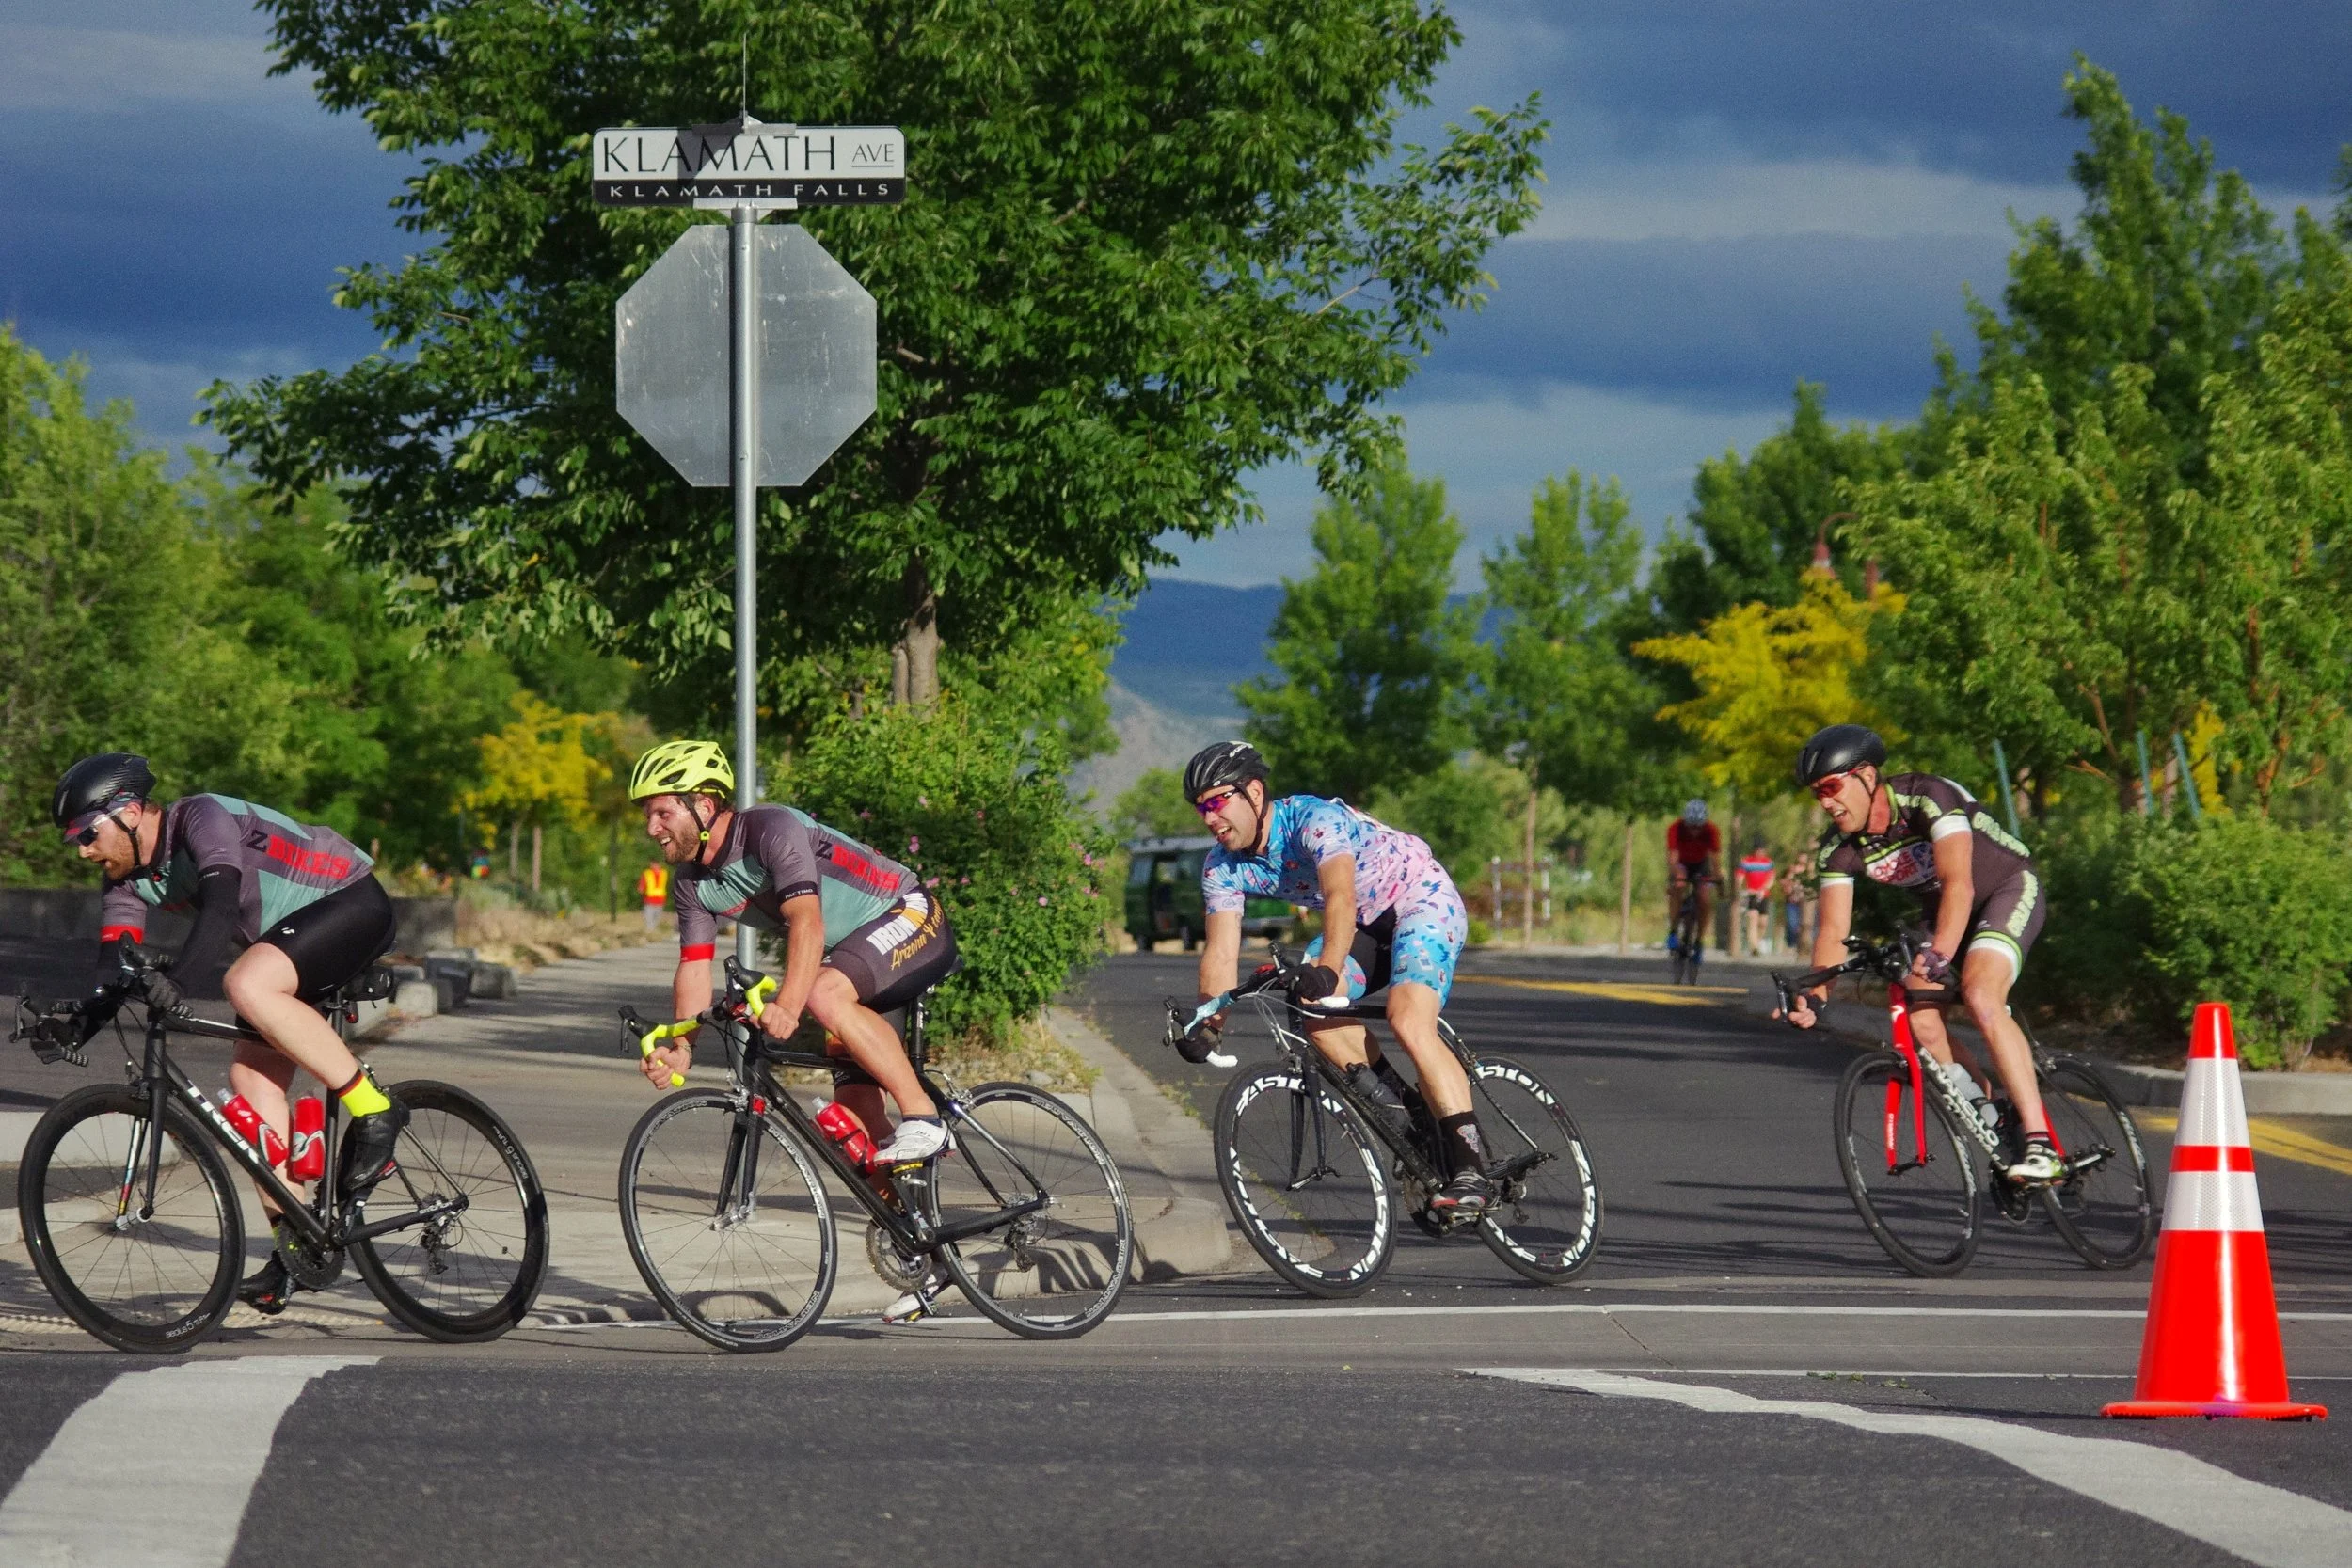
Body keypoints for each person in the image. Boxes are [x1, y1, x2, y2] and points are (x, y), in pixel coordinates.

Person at [56, 752, 406, 1315]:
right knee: (249, 1085)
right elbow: (112, 968)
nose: (81, 850)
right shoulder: (126, 883)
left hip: (350, 903)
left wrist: (182, 983)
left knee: (245, 981)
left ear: (126, 813)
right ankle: (297, 1251)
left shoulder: (202, 817)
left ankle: (376, 1109)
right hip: (286, 948)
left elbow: (219, 908)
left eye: (85, 833)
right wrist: (74, 1026)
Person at [1177, 741, 1491, 1215]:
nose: (1208, 817)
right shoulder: (1222, 867)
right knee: (1312, 1014)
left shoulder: (1313, 820)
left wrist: (1327, 969)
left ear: (1255, 793)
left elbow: (1340, 896)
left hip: (1419, 899)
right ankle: (1417, 1120)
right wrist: (1208, 1020)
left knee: (1407, 1018)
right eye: (1201, 808)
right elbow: (1222, 949)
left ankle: (1472, 1168)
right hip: (1364, 926)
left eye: (1218, 801)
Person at [628, 740, 957, 1170]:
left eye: (662, 813)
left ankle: (924, 1118)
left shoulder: (770, 829)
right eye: (647, 816)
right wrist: (682, 1046)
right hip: (852, 958)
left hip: (905, 912)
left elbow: (807, 923)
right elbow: (693, 966)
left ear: (704, 807)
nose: (652, 828)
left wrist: (788, 1004)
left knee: (822, 995)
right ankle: (910, 1229)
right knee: (854, 1115)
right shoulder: (692, 883)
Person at [1776, 724, 2062, 1183]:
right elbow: (1832, 930)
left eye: (1831, 787)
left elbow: (1958, 883)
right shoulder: (1839, 849)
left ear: (1867, 775)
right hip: (1946, 911)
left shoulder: (1928, 798)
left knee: (1981, 993)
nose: (1826, 802)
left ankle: (2040, 1141)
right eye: (1817, 794)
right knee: (1922, 1021)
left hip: (2004, 889)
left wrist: (1942, 954)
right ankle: (1997, 1128)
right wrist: (1816, 996)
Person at [1664, 800, 1721, 962]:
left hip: (1701, 864)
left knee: (1704, 899)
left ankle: (1699, 941)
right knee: (1679, 885)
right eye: (1691, 827)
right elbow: (1673, 857)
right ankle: (1673, 931)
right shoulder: (1675, 828)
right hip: (1681, 862)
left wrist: (1717, 879)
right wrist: (1676, 875)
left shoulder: (1711, 830)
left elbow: (1715, 859)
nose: (1695, 831)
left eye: (1698, 827)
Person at [1737, 842, 1775, 955]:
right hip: (1751, 894)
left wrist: (1764, 888)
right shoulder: (1746, 861)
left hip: (1764, 895)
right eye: (1758, 850)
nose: (1760, 852)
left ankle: (1758, 941)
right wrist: (1741, 889)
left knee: (1763, 922)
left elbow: (1771, 878)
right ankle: (1754, 947)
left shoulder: (1768, 863)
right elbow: (1740, 877)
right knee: (1752, 918)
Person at [1778, 849, 1812, 953]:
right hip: (1792, 901)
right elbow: (1783, 881)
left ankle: (1802, 945)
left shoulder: (1810, 871)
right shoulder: (1792, 869)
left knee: (1805, 925)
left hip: (1805, 902)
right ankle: (1791, 945)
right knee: (1792, 924)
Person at [637, 859, 670, 935]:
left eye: (655, 864)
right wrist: (641, 888)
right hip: (649, 899)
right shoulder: (647, 873)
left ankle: (653, 931)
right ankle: (650, 932)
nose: (654, 866)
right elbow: (642, 884)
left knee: (657, 917)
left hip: (660, 899)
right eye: (653, 864)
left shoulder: (664, 873)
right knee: (649, 917)